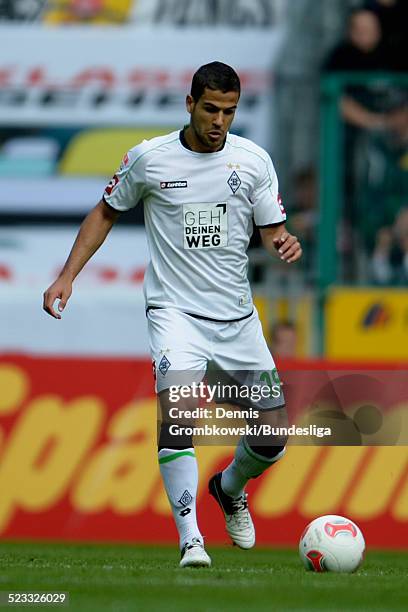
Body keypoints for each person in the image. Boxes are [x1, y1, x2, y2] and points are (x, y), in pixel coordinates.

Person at [43, 62, 302, 568]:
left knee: (273, 436)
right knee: (179, 415)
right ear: (190, 104)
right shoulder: (149, 159)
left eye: (229, 111)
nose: (219, 121)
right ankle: (191, 540)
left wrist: (284, 244)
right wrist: (67, 274)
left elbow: (273, 232)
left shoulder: (253, 162)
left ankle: (229, 488)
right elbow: (105, 211)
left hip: (236, 319)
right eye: (210, 109)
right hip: (175, 313)